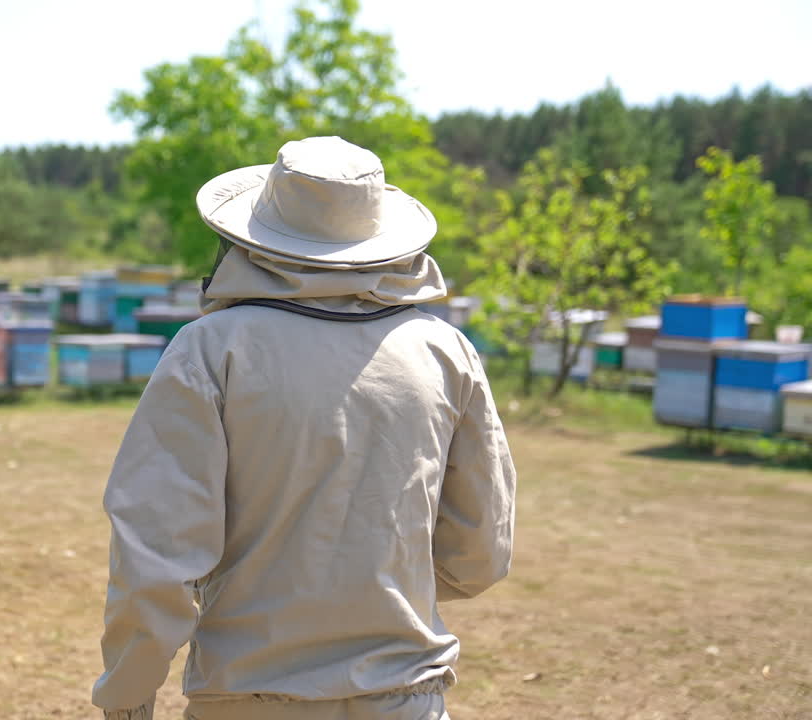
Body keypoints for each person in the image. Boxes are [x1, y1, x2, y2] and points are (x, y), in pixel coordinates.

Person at [93, 136, 516, 720]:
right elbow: (480, 555)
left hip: (246, 697)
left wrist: (127, 691)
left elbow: (155, 554)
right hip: (406, 698)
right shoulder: (445, 351)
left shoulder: (212, 349)